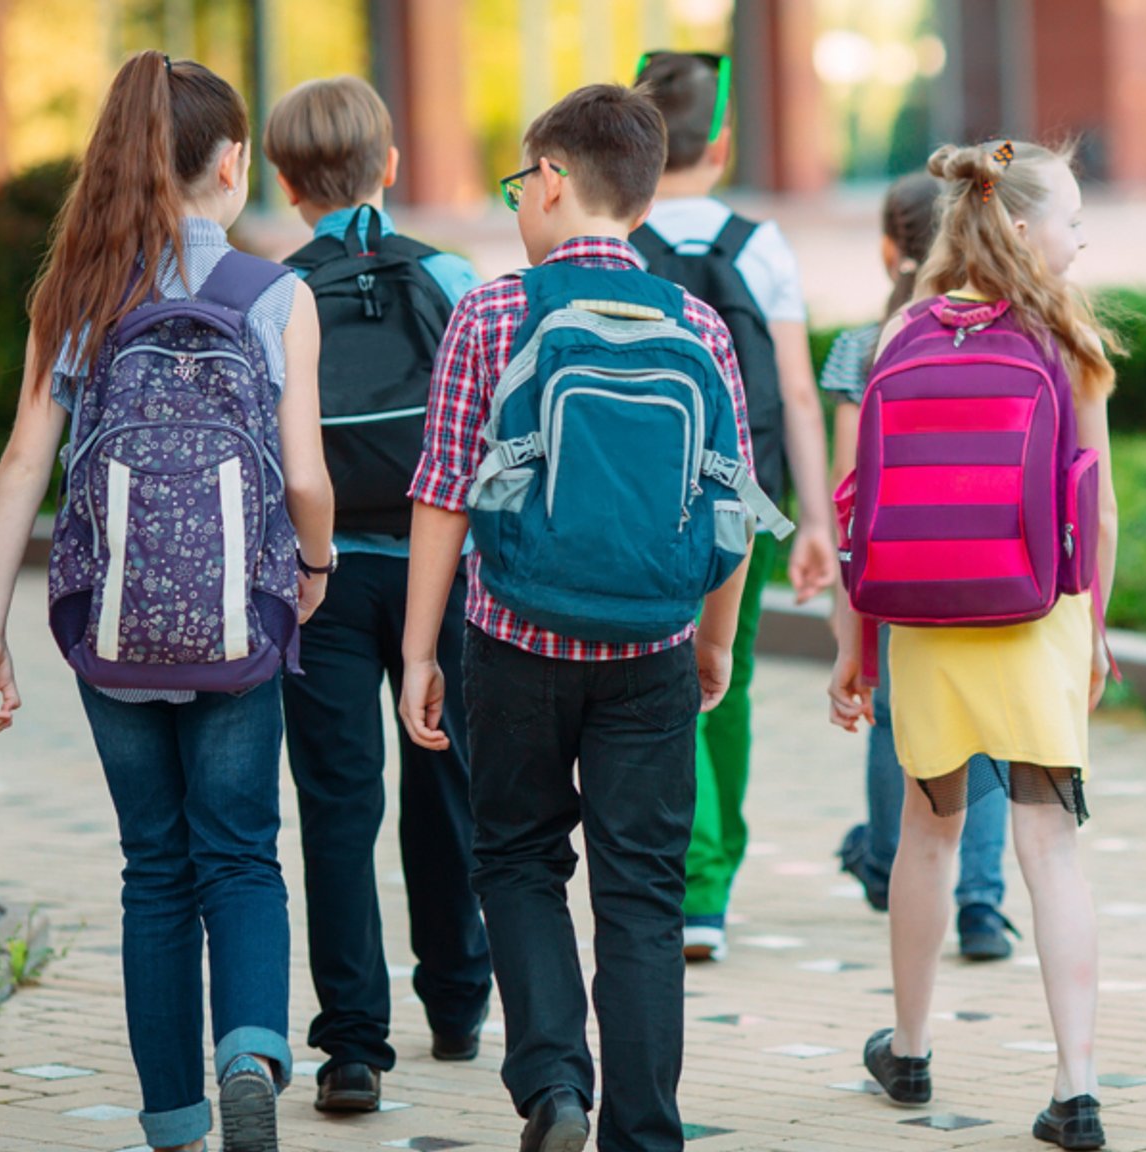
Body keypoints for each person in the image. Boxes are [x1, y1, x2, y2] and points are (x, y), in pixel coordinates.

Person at [0, 51, 332, 1152]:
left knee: (154, 868)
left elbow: (24, 463)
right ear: (232, 163)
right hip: (237, 616)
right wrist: (310, 572)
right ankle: (250, 1050)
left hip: (113, 621)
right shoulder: (276, 295)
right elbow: (305, 478)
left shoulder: (73, 293)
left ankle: (173, 1120)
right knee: (242, 852)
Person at [398, 82, 757, 1152]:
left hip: (511, 638)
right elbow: (729, 500)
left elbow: (442, 492)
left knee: (514, 860)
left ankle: (554, 1085)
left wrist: (419, 649)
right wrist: (714, 640)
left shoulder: (492, 311)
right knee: (642, 893)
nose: (517, 200)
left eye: (519, 181)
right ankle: (643, 1131)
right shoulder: (693, 322)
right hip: (649, 644)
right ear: (639, 201)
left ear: (551, 181)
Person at [828, 139, 1121, 1151]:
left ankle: (908, 1051)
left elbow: (863, 500)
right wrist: (1094, 629)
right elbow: (1101, 505)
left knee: (926, 836)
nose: (1079, 236)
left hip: (924, 619)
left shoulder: (901, 330)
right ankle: (1074, 1087)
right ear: (1026, 228)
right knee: (1048, 847)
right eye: (1072, 219)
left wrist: (853, 645)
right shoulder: (1065, 337)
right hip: (1035, 613)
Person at [261, 74, 493, 1114]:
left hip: (320, 578)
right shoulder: (448, 275)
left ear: (282, 181)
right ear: (390, 166)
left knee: (335, 803)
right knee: (444, 784)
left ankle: (351, 1046)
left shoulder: (271, 291)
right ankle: (455, 1001)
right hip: (435, 571)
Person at [632, 50, 839, 963]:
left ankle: (684, 870)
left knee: (662, 673)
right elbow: (797, 392)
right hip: (743, 503)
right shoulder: (759, 245)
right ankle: (710, 886)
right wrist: (818, 527)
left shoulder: (615, 235)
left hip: (636, 501)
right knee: (730, 676)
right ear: (720, 140)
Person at [822, 171, 1015, 960]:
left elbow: (848, 496)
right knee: (992, 730)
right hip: (998, 562)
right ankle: (979, 903)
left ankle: (889, 868)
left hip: (906, 569)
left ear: (888, 247)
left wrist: (848, 621)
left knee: (894, 718)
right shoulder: (1011, 333)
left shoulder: (866, 346)